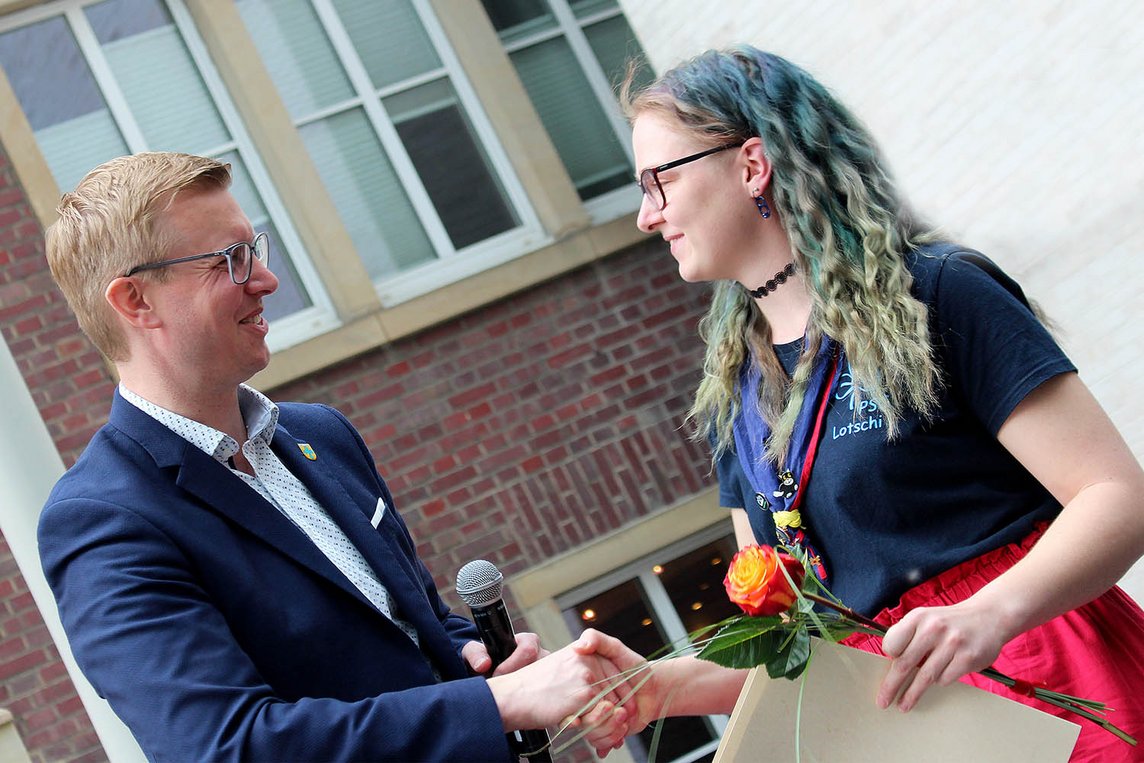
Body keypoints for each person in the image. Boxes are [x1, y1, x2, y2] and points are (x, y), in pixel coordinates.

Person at [584, 46, 1144, 761]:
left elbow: (1117, 497)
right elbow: (802, 643)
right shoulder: (734, 389)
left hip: (1046, 685)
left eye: (658, 182)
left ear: (751, 165)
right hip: (909, 724)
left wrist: (985, 614)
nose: (645, 216)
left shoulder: (937, 292)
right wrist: (661, 686)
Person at [38, 152, 635, 762]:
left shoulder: (320, 434)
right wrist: (499, 705)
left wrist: (489, 665)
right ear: (135, 301)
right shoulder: (103, 522)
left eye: (256, 250)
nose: (267, 282)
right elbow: (226, 748)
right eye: (230, 261)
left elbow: (412, 634)